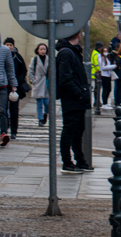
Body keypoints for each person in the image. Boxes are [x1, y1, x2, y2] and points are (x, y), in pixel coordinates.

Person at [56, 29, 92, 172]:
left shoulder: (72, 51)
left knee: (78, 131)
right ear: (78, 35)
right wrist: (79, 94)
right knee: (70, 130)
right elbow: (65, 79)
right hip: (72, 99)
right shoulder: (67, 52)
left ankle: (80, 160)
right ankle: (67, 161)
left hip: (77, 99)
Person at [4, 38, 29, 140]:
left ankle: (14, 131)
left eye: (10, 45)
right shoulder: (2, 56)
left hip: (15, 87)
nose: (9, 47)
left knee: (14, 109)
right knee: (3, 109)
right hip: (4, 86)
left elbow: (23, 70)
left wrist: (18, 80)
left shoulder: (17, 57)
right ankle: (4, 129)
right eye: (7, 44)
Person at [29, 43, 50, 127]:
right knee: (39, 103)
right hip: (38, 83)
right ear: (37, 50)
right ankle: (40, 119)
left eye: (44, 49)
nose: (42, 51)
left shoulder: (49, 59)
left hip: (47, 84)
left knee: (47, 103)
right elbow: (30, 72)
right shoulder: (34, 60)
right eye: (41, 49)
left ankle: (45, 114)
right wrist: (34, 81)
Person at [98, 46, 116, 110]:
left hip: (108, 75)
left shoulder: (106, 58)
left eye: (106, 51)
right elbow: (103, 67)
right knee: (105, 89)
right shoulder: (101, 58)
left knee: (108, 89)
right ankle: (104, 103)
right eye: (104, 51)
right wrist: (113, 66)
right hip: (104, 75)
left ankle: (105, 102)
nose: (106, 52)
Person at [91, 42, 103, 115]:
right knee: (97, 88)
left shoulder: (94, 52)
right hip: (96, 73)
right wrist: (101, 70)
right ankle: (97, 102)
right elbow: (97, 64)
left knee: (97, 88)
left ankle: (97, 102)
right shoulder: (96, 54)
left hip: (95, 73)